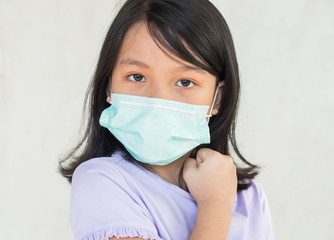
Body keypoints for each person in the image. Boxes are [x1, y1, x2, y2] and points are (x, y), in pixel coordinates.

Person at [58, 0, 275, 239]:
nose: (156, 101)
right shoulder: (101, 182)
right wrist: (215, 207)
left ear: (217, 99)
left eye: (185, 82)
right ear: (109, 85)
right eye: (137, 76)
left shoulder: (249, 197)